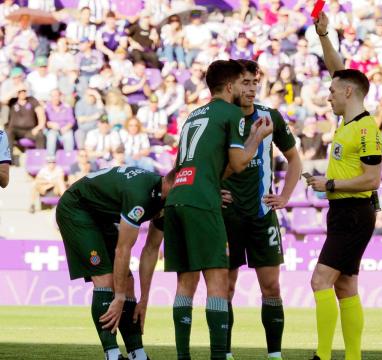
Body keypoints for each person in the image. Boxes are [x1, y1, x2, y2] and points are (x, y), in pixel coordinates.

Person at [163, 60, 273, 360]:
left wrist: (211, 183)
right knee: (217, 280)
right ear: (229, 86)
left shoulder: (192, 116)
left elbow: (191, 165)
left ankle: (183, 356)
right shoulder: (231, 112)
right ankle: (218, 355)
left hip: (177, 199)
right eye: (241, 83)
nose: (244, 89)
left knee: (185, 283)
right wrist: (257, 137)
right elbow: (238, 163)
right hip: (202, 202)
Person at [305, 12, 382, 360]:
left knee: (320, 281)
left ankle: (322, 355)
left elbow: (372, 179)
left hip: (353, 212)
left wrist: (329, 182)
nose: (328, 95)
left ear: (348, 93)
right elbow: (339, 70)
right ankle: (353, 357)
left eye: (333, 91)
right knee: (345, 285)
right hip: (345, 211)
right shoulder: (348, 121)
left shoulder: (367, 129)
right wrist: (323, 35)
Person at [223, 60, 302, 360]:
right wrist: (213, 189)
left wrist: (284, 196)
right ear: (231, 85)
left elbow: (295, 160)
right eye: (245, 82)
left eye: (255, 82)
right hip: (227, 216)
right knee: (225, 289)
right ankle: (226, 353)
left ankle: (274, 355)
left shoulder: (271, 117)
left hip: (261, 215)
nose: (252, 88)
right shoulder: (222, 117)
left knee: (271, 287)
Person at [56, 166, 176, 360]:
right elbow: (123, 249)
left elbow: (151, 250)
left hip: (102, 217)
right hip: (77, 209)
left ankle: (137, 354)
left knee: (128, 284)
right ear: (171, 184)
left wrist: (144, 299)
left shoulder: (168, 201)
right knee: (105, 280)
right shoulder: (141, 195)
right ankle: (112, 355)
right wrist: (118, 297)